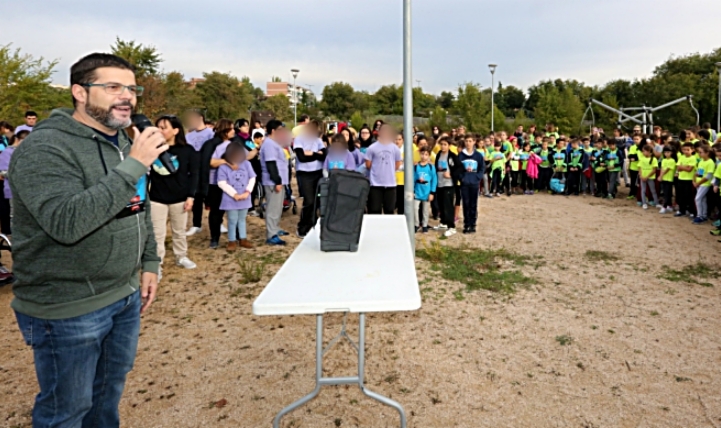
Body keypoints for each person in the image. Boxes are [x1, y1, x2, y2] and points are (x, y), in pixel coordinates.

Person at [8, 53, 163, 427]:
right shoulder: (44, 149)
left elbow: (137, 207)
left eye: (131, 88)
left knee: (105, 400)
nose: (126, 96)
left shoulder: (125, 146)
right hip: (68, 307)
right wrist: (132, 167)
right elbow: (66, 223)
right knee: (66, 412)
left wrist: (149, 263)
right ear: (79, 91)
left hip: (123, 296)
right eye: (112, 87)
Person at [149, 115, 198, 279]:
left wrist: (191, 197)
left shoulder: (187, 150)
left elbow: (194, 175)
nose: (160, 130)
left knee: (179, 231)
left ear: (176, 130)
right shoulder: (152, 149)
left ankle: (181, 256)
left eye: (164, 127)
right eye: (158, 127)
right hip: (157, 198)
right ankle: (156, 264)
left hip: (180, 198)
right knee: (157, 233)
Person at [218, 141, 256, 250]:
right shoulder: (223, 167)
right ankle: (232, 240)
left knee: (242, 219)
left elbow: (252, 178)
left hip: (245, 197)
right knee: (232, 220)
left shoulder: (247, 164)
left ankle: (243, 239)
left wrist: (247, 192)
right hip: (230, 199)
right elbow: (222, 183)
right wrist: (234, 194)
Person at [185, 109, 215, 236]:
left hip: (209, 170)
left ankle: (217, 223)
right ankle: (196, 224)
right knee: (197, 197)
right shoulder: (188, 136)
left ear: (201, 118)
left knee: (212, 197)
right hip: (194, 170)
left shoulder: (210, 134)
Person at [293, 120, 326, 237]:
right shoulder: (299, 139)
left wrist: (311, 153)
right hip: (304, 173)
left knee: (317, 200)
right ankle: (303, 226)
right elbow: (301, 157)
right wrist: (317, 154)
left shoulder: (318, 140)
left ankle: (314, 222)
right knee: (309, 200)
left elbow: (324, 155)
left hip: (317, 172)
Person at [206, 119, 236, 249]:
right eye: (232, 128)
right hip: (216, 183)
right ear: (225, 131)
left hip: (233, 183)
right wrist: (226, 161)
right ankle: (214, 238)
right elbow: (211, 162)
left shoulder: (234, 144)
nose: (234, 131)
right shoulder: (215, 146)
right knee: (216, 212)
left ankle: (236, 237)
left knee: (234, 212)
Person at [260, 120, 290, 245]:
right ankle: (271, 234)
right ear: (273, 131)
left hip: (279, 180)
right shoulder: (269, 145)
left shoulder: (274, 143)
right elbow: (271, 164)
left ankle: (275, 228)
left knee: (278, 207)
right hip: (273, 181)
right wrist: (277, 181)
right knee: (272, 208)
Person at [365, 124, 402, 215]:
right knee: (374, 210)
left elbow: (397, 163)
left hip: (390, 184)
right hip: (375, 184)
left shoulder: (395, 148)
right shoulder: (372, 148)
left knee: (389, 210)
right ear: (379, 132)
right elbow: (368, 164)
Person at [0, 131, 28, 234]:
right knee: (14, 215)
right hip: (12, 190)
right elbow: (3, 172)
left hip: (25, 190)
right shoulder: (7, 152)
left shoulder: (26, 151)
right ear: (18, 140)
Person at [433, 137, 461, 236]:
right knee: (441, 204)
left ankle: (451, 227)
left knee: (448, 206)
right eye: (442, 144)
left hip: (449, 184)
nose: (443, 146)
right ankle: (443, 223)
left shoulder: (453, 156)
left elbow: (459, 168)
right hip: (439, 183)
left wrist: (451, 174)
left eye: (445, 144)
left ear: (449, 145)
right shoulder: (439, 155)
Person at [458, 135, 484, 234]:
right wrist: (462, 178)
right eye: (466, 141)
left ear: (474, 142)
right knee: (465, 204)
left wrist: (477, 177)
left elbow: (482, 168)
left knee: (473, 204)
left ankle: (473, 224)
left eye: (470, 141)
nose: (468, 143)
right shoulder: (461, 155)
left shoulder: (478, 156)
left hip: (474, 183)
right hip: (465, 184)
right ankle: (466, 224)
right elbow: (457, 169)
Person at [413, 147, 436, 233]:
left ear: (429, 156)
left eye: (426, 154)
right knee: (415, 208)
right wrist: (412, 191)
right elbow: (413, 179)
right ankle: (416, 224)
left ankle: (425, 225)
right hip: (417, 192)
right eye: (422, 154)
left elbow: (434, 180)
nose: (424, 156)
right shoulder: (416, 167)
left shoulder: (431, 167)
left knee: (425, 210)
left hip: (427, 193)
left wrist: (432, 192)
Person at [692, 145, 715, 224]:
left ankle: (699, 215)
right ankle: (704, 215)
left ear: (707, 153)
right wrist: (694, 179)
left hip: (705, 184)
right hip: (700, 183)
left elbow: (708, 176)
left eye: (701, 152)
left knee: (697, 199)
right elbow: (700, 173)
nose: (699, 154)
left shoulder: (710, 162)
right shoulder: (701, 161)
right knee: (703, 199)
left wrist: (698, 183)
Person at [674, 143, 697, 217]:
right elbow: (678, 167)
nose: (686, 151)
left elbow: (689, 169)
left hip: (689, 180)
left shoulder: (693, 158)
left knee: (689, 196)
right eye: (684, 150)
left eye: (688, 150)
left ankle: (691, 211)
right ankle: (681, 210)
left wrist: (682, 167)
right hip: (681, 179)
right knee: (681, 196)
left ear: (692, 150)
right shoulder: (681, 157)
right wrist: (684, 167)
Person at [637, 145, 659, 209]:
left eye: (644, 151)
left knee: (653, 190)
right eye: (642, 151)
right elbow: (639, 168)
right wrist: (641, 176)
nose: (643, 152)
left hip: (650, 177)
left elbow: (654, 170)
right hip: (643, 177)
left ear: (649, 151)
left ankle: (656, 203)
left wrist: (647, 176)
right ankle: (644, 203)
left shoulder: (654, 159)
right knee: (643, 190)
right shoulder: (642, 159)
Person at [658, 146, 676, 214]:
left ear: (671, 153)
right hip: (664, 178)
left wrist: (661, 176)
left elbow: (667, 169)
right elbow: (662, 168)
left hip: (669, 179)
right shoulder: (664, 160)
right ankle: (669, 205)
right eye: (665, 152)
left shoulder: (672, 160)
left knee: (667, 193)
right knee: (666, 193)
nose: (666, 154)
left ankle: (664, 206)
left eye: (668, 152)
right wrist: (660, 176)